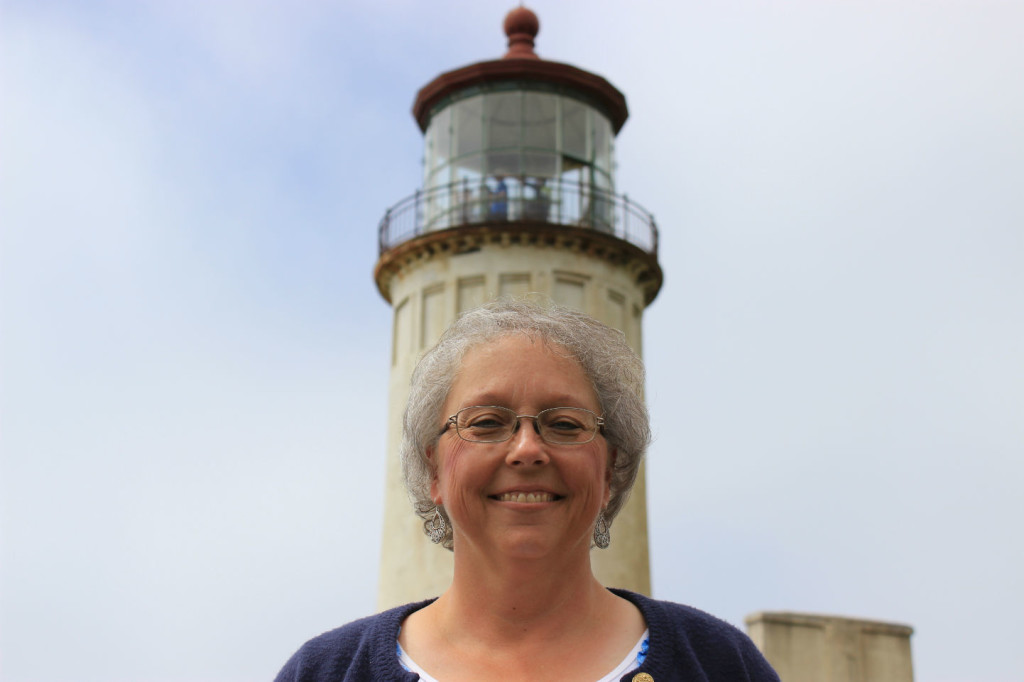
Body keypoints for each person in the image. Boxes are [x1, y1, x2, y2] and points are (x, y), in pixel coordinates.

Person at [275, 300, 779, 681]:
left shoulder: (719, 662)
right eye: (487, 422)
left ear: (610, 470)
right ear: (432, 470)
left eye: (564, 423)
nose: (526, 449)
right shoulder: (326, 671)